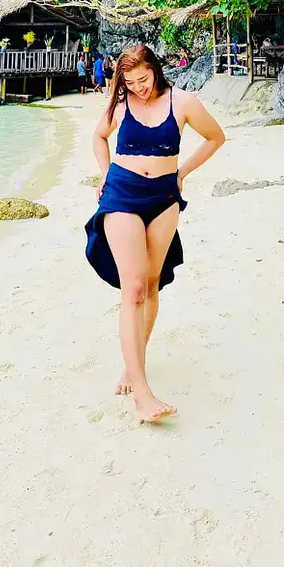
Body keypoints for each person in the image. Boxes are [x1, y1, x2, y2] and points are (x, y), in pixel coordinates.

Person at [85, 44, 225, 423]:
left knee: (150, 286)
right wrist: (104, 172)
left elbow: (216, 138)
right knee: (131, 287)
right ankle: (142, 394)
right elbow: (99, 137)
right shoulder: (119, 105)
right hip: (122, 194)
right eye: (129, 83)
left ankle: (134, 365)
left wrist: (182, 173)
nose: (138, 88)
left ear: (156, 71)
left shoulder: (183, 102)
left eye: (143, 80)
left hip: (164, 197)